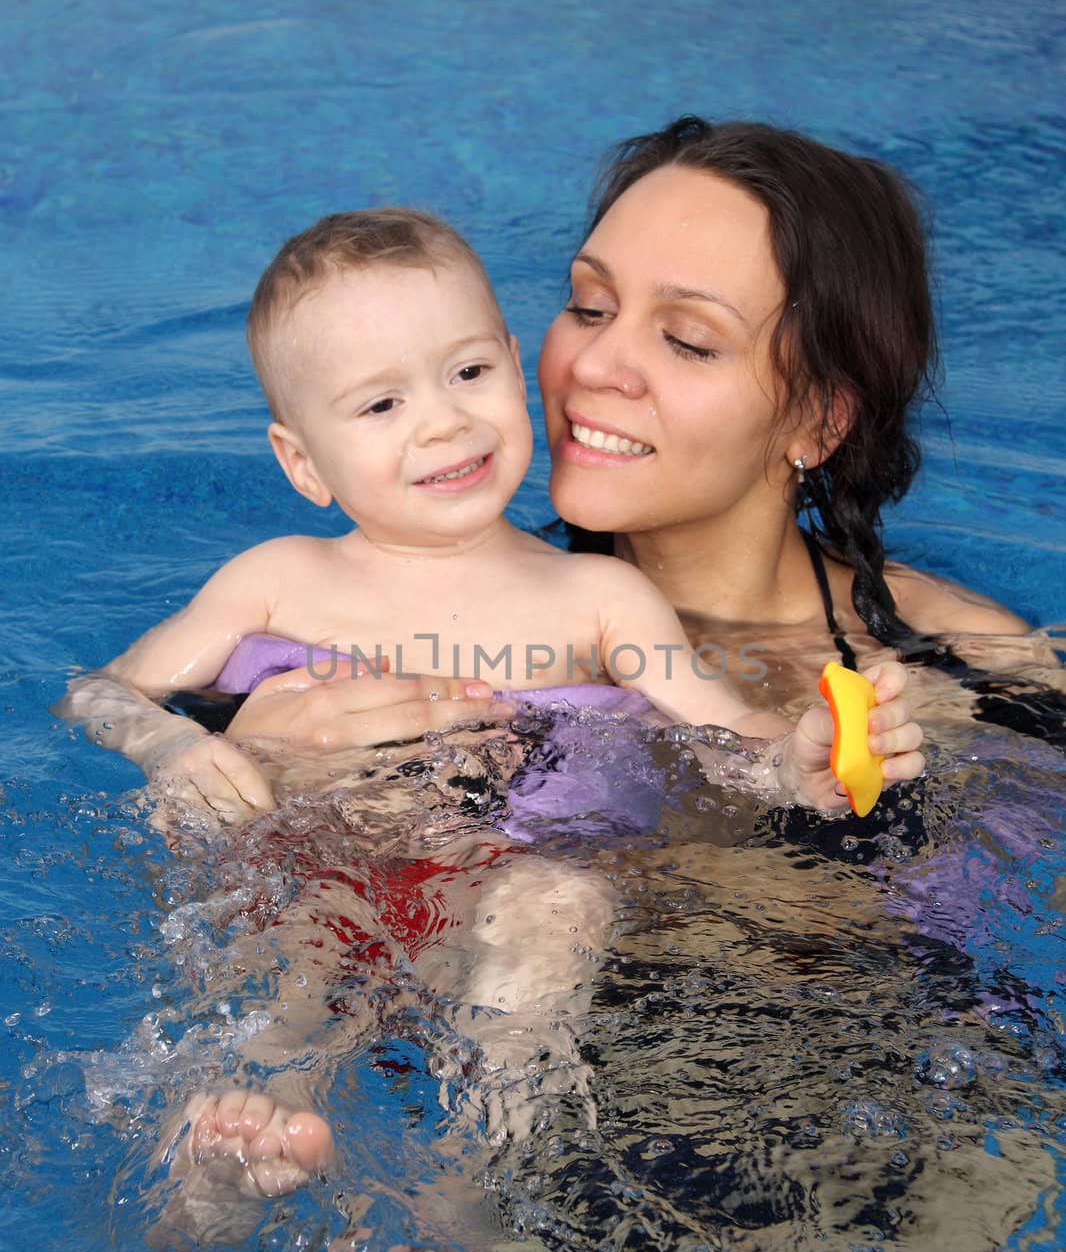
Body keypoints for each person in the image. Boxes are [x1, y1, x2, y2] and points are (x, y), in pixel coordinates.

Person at [58, 204, 922, 816]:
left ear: (514, 364)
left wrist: (800, 759)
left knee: (555, 905)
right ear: (301, 462)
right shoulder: (274, 581)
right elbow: (100, 692)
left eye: (469, 372)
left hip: (501, 884)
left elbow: (730, 733)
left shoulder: (600, 600)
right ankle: (275, 1076)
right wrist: (169, 747)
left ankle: (520, 1080)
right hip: (319, 867)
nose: (443, 421)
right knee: (292, 941)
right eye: (379, 406)